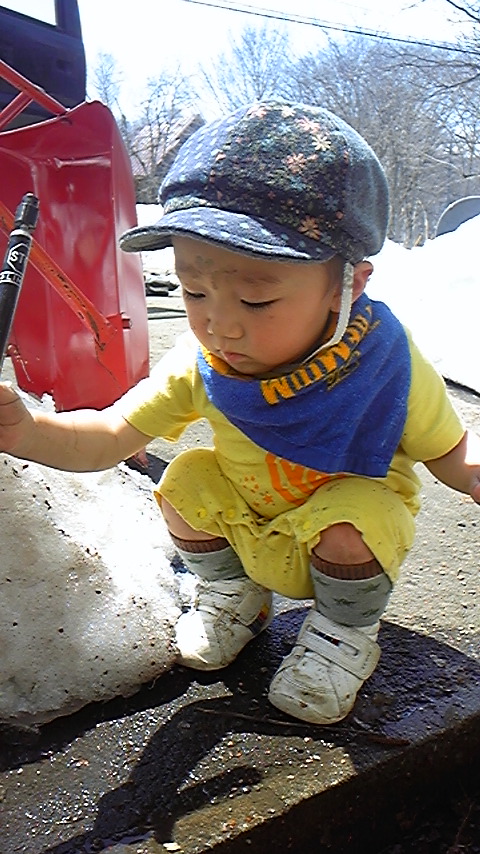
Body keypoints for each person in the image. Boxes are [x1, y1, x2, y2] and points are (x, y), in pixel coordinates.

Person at [1, 101, 480, 726]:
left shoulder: (383, 361)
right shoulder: (202, 363)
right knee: (186, 479)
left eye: (257, 299)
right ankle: (233, 596)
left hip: (346, 542)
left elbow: (450, 451)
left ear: (348, 285)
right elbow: (110, 435)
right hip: (252, 531)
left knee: (351, 518)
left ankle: (343, 633)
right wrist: (26, 429)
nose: (220, 324)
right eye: (195, 291)